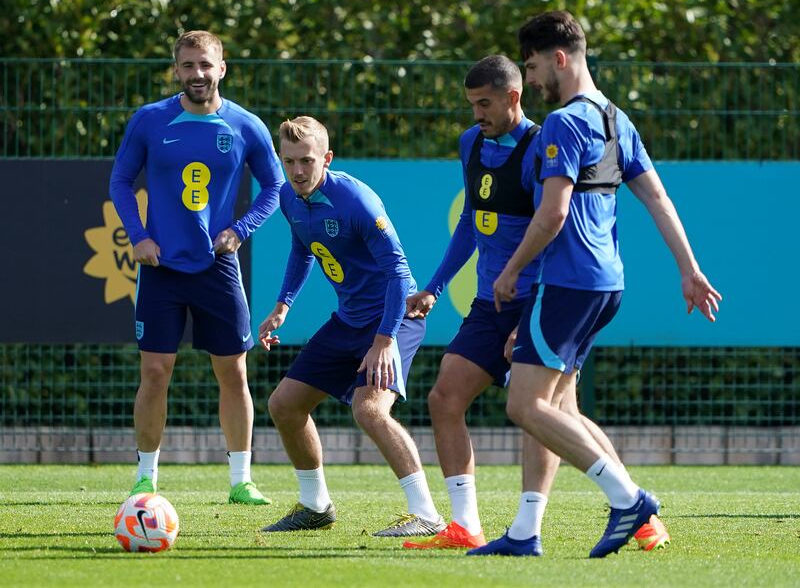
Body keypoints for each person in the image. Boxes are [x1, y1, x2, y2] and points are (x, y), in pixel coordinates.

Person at [472, 11, 721, 558]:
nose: (531, 80)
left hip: (565, 280)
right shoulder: (616, 119)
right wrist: (690, 269)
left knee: (523, 405)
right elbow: (657, 198)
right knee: (557, 407)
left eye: (534, 67)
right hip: (605, 282)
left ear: (559, 58)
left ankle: (628, 499)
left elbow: (554, 213)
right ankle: (524, 532)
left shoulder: (563, 122)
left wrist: (512, 272)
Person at [403, 55, 668, 554]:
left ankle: (634, 515)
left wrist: (527, 315)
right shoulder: (470, 144)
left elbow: (556, 227)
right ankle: (465, 524)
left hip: (538, 298)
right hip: (489, 300)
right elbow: (470, 222)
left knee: (549, 410)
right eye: (471, 104)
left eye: (485, 104)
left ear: (513, 97)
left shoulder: (543, 143)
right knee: (445, 397)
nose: (476, 114)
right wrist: (435, 286)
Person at [109, 30, 283, 505]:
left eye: (206, 65)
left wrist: (241, 229)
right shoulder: (149, 120)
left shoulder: (246, 126)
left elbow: (274, 187)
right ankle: (145, 477)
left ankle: (241, 481)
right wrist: (139, 236)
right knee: (156, 372)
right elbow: (121, 180)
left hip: (217, 268)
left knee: (233, 373)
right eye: (188, 66)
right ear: (176, 70)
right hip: (162, 267)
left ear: (222, 68)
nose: (198, 74)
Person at [258, 116, 445, 537]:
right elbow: (302, 249)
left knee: (369, 410)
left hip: (394, 320)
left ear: (327, 158)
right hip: (348, 322)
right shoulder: (289, 198)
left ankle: (428, 515)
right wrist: (283, 304)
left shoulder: (356, 199)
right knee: (284, 405)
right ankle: (315, 506)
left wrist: (384, 339)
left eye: (306, 161)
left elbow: (399, 272)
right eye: (289, 162)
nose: (298, 171)